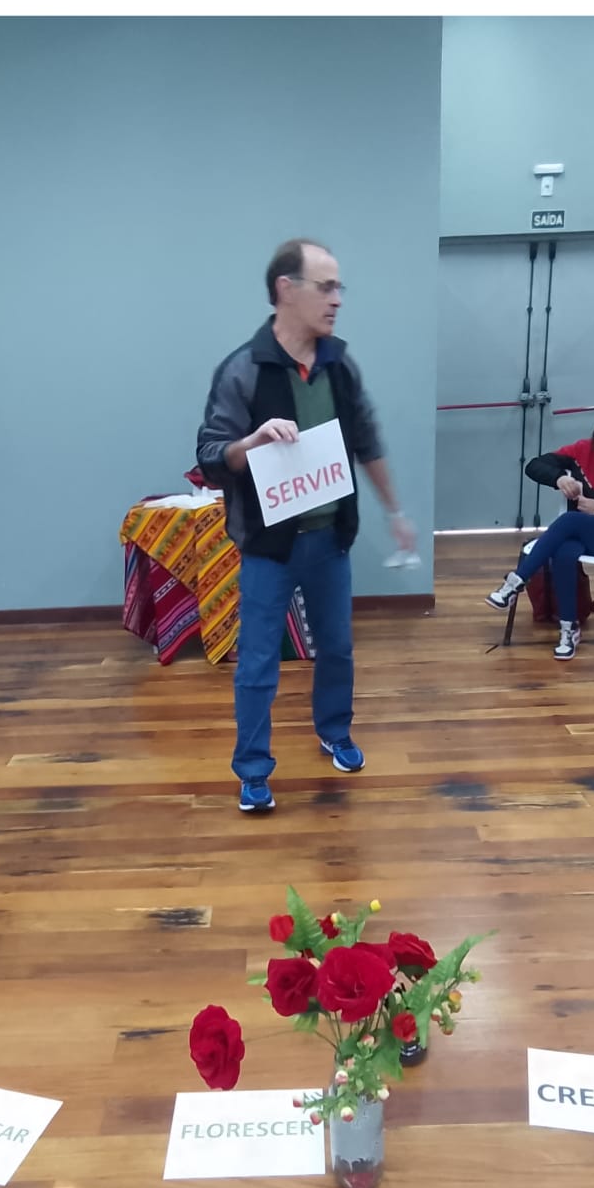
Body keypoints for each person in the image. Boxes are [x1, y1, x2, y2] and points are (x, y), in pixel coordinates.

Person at [197, 239, 416, 813]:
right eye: (326, 286)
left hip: (329, 541)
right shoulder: (242, 369)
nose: (337, 299)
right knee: (258, 663)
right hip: (268, 548)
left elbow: (366, 440)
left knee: (337, 648)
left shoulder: (339, 364)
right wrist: (251, 442)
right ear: (285, 291)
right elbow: (212, 453)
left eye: (340, 287)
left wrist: (395, 513)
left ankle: (335, 732)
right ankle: (252, 769)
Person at [484, 404, 594, 659]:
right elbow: (534, 466)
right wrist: (559, 478)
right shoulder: (582, 451)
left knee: (569, 521)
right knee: (564, 552)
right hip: (576, 534)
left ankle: (516, 582)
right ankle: (569, 627)